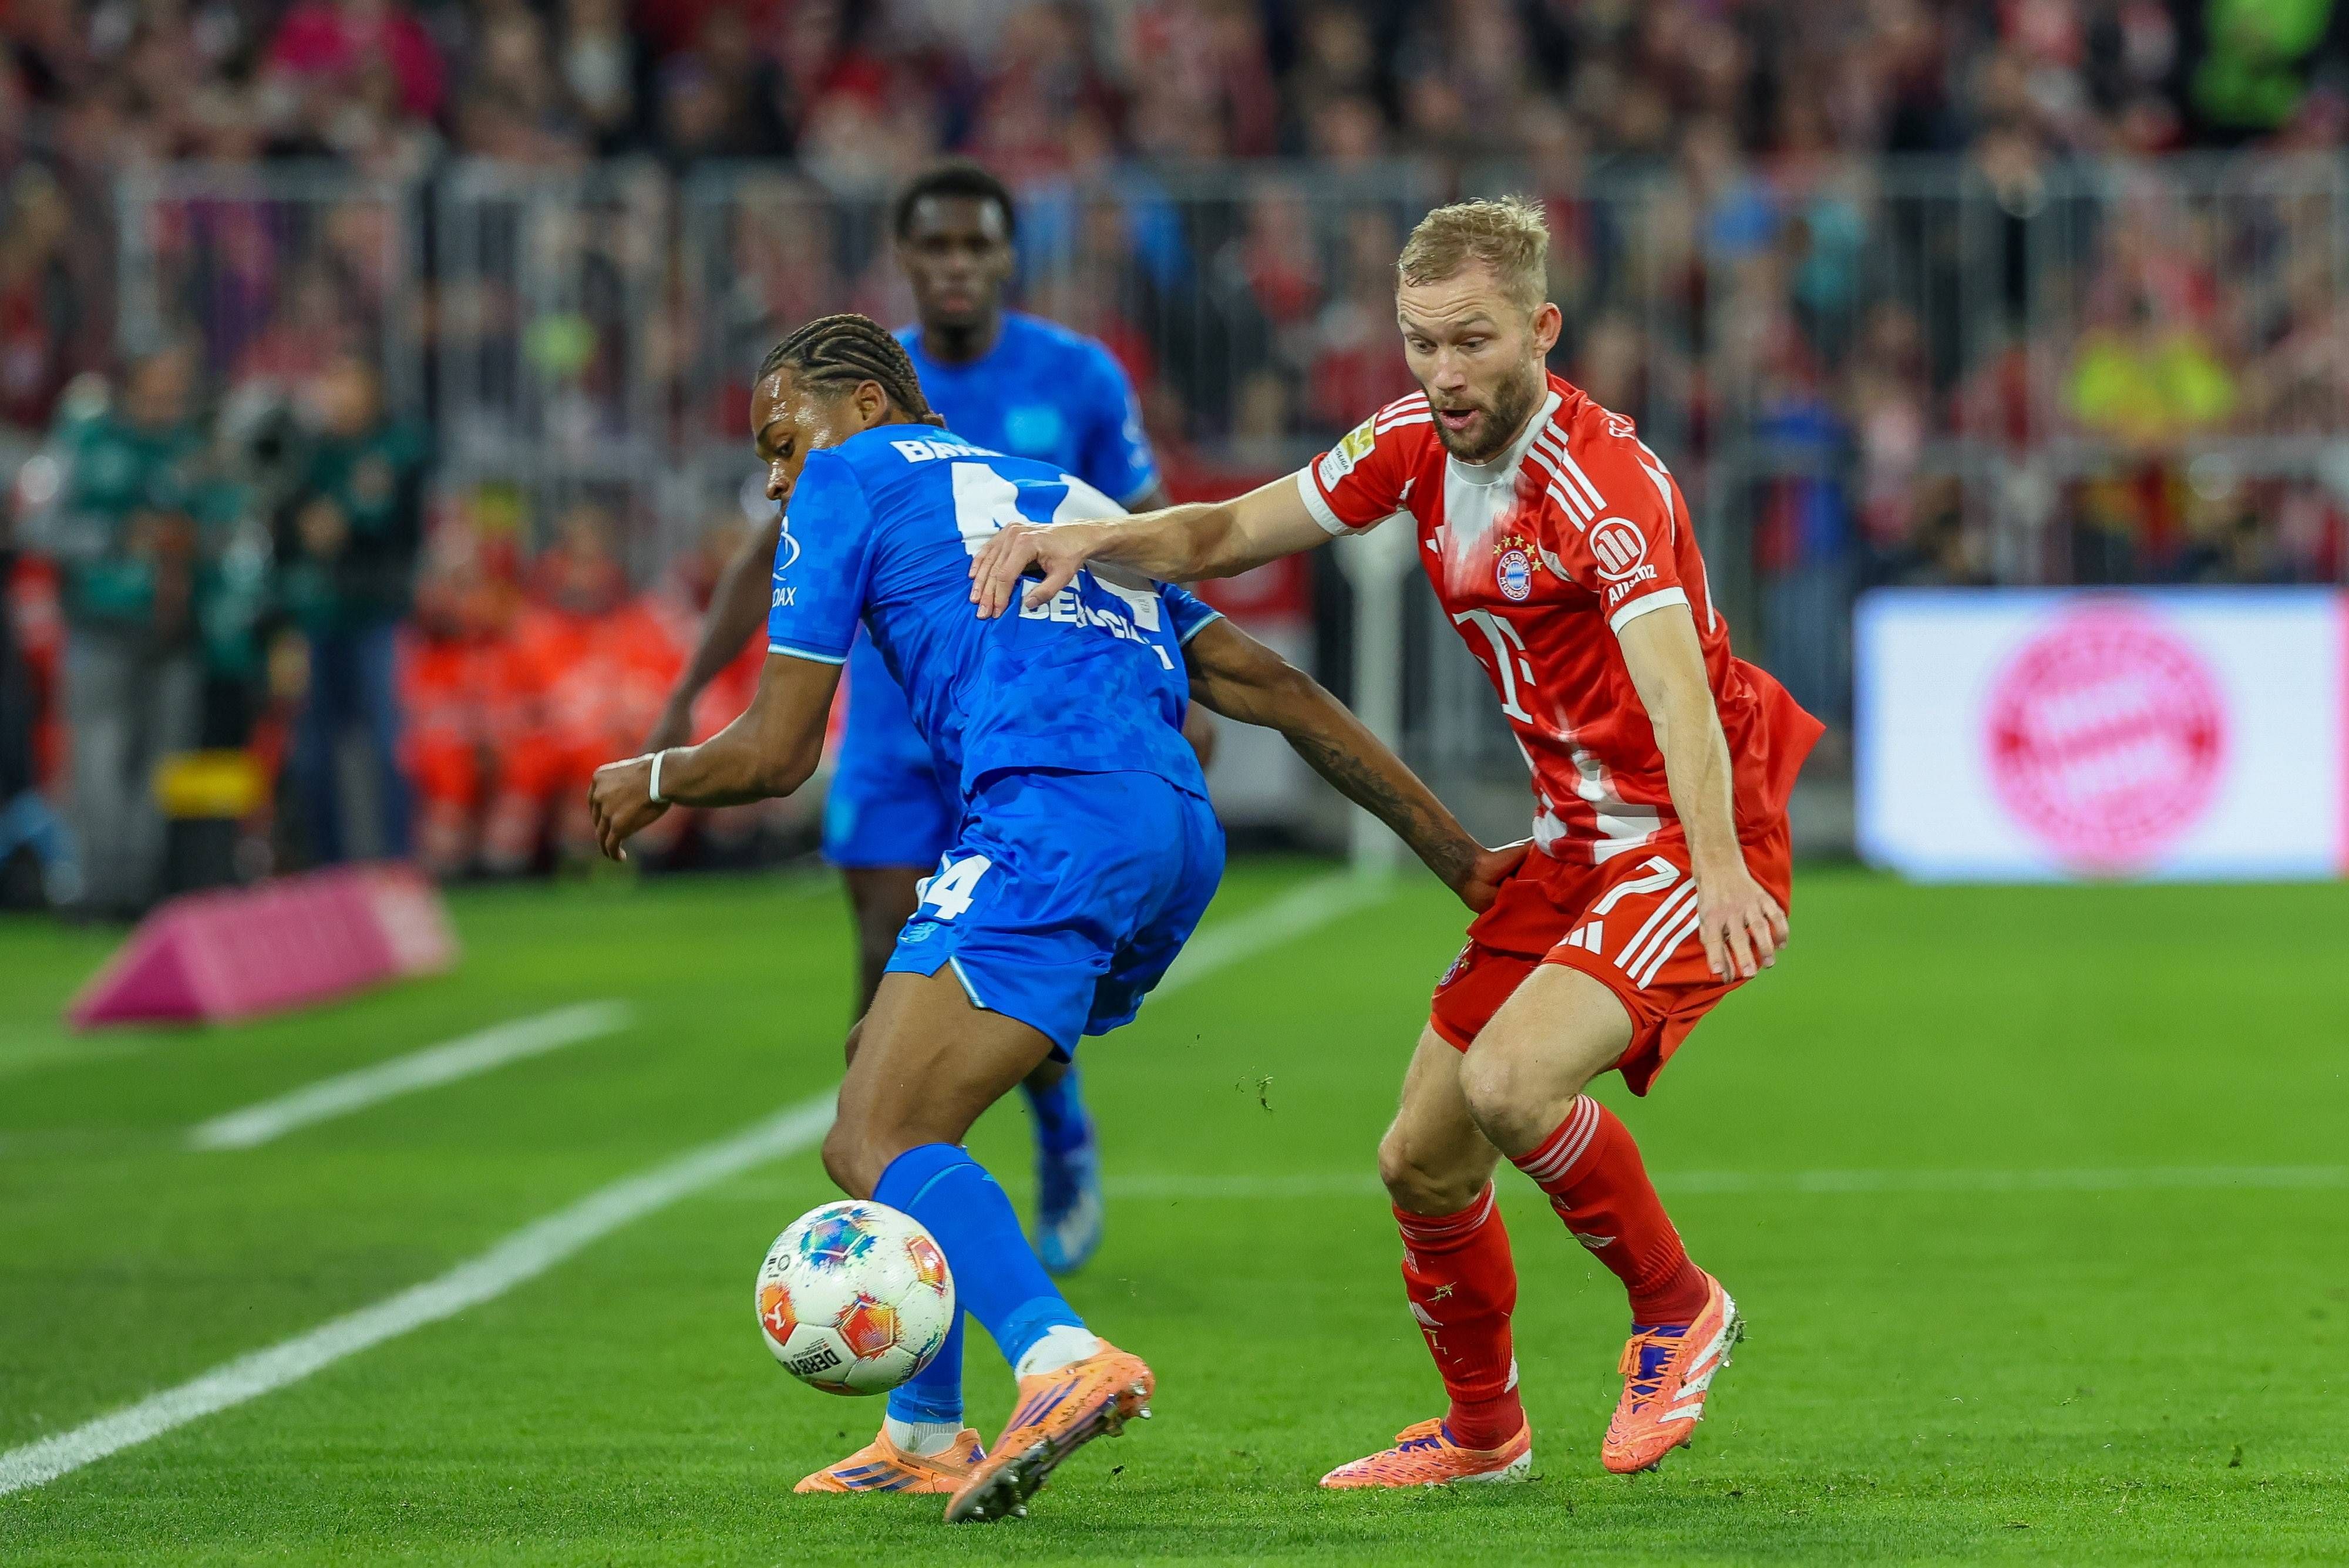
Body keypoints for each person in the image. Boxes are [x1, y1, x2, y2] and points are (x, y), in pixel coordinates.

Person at [590, 315, 1522, 1521]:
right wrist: (1458, 859)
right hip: (1172, 834)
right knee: (887, 1077)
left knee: (865, 1137)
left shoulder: (847, 480)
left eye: (782, 440)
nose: (779, 475)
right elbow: (1269, 689)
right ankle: (924, 1427)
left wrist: (652, 776)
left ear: (865, 406)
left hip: (1046, 816)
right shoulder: (1063, 495)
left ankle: (1054, 1358)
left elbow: (774, 754)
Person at [970, 197, 1824, 1487]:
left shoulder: (1602, 485)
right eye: (1419, 343)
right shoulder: (1412, 445)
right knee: (1419, 1159)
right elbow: (1222, 533)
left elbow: (1677, 697)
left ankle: (1677, 1308)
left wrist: (1714, 864)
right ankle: (1482, 1438)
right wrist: (1088, 540)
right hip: (1571, 844)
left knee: (1511, 1087)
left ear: (1539, 329)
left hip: (1680, 834)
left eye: (1470, 343)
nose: (1441, 373)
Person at [649, 161, 1188, 1277]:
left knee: (999, 967)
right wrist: (693, 688)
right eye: (934, 248)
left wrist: (1175, 668)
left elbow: (1135, 531)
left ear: (1004, 257)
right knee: (887, 965)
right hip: (898, 728)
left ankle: (1047, 1130)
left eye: (974, 247)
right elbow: (773, 548)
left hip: (1037, 721)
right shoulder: (841, 396)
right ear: (906, 259)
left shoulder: (1076, 377)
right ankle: (911, 1229)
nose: (955, 266)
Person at [277, 354, 425, 864]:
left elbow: (390, 520)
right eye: (331, 381)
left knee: (388, 747)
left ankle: (397, 863)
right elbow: (284, 518)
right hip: (318, 616)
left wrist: (341, 523)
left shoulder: (399, 446)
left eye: (349, 382)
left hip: (378, 615)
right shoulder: (308, 452)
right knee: (313, 755)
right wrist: (305, 524)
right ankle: (327, 868)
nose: (339, 395)